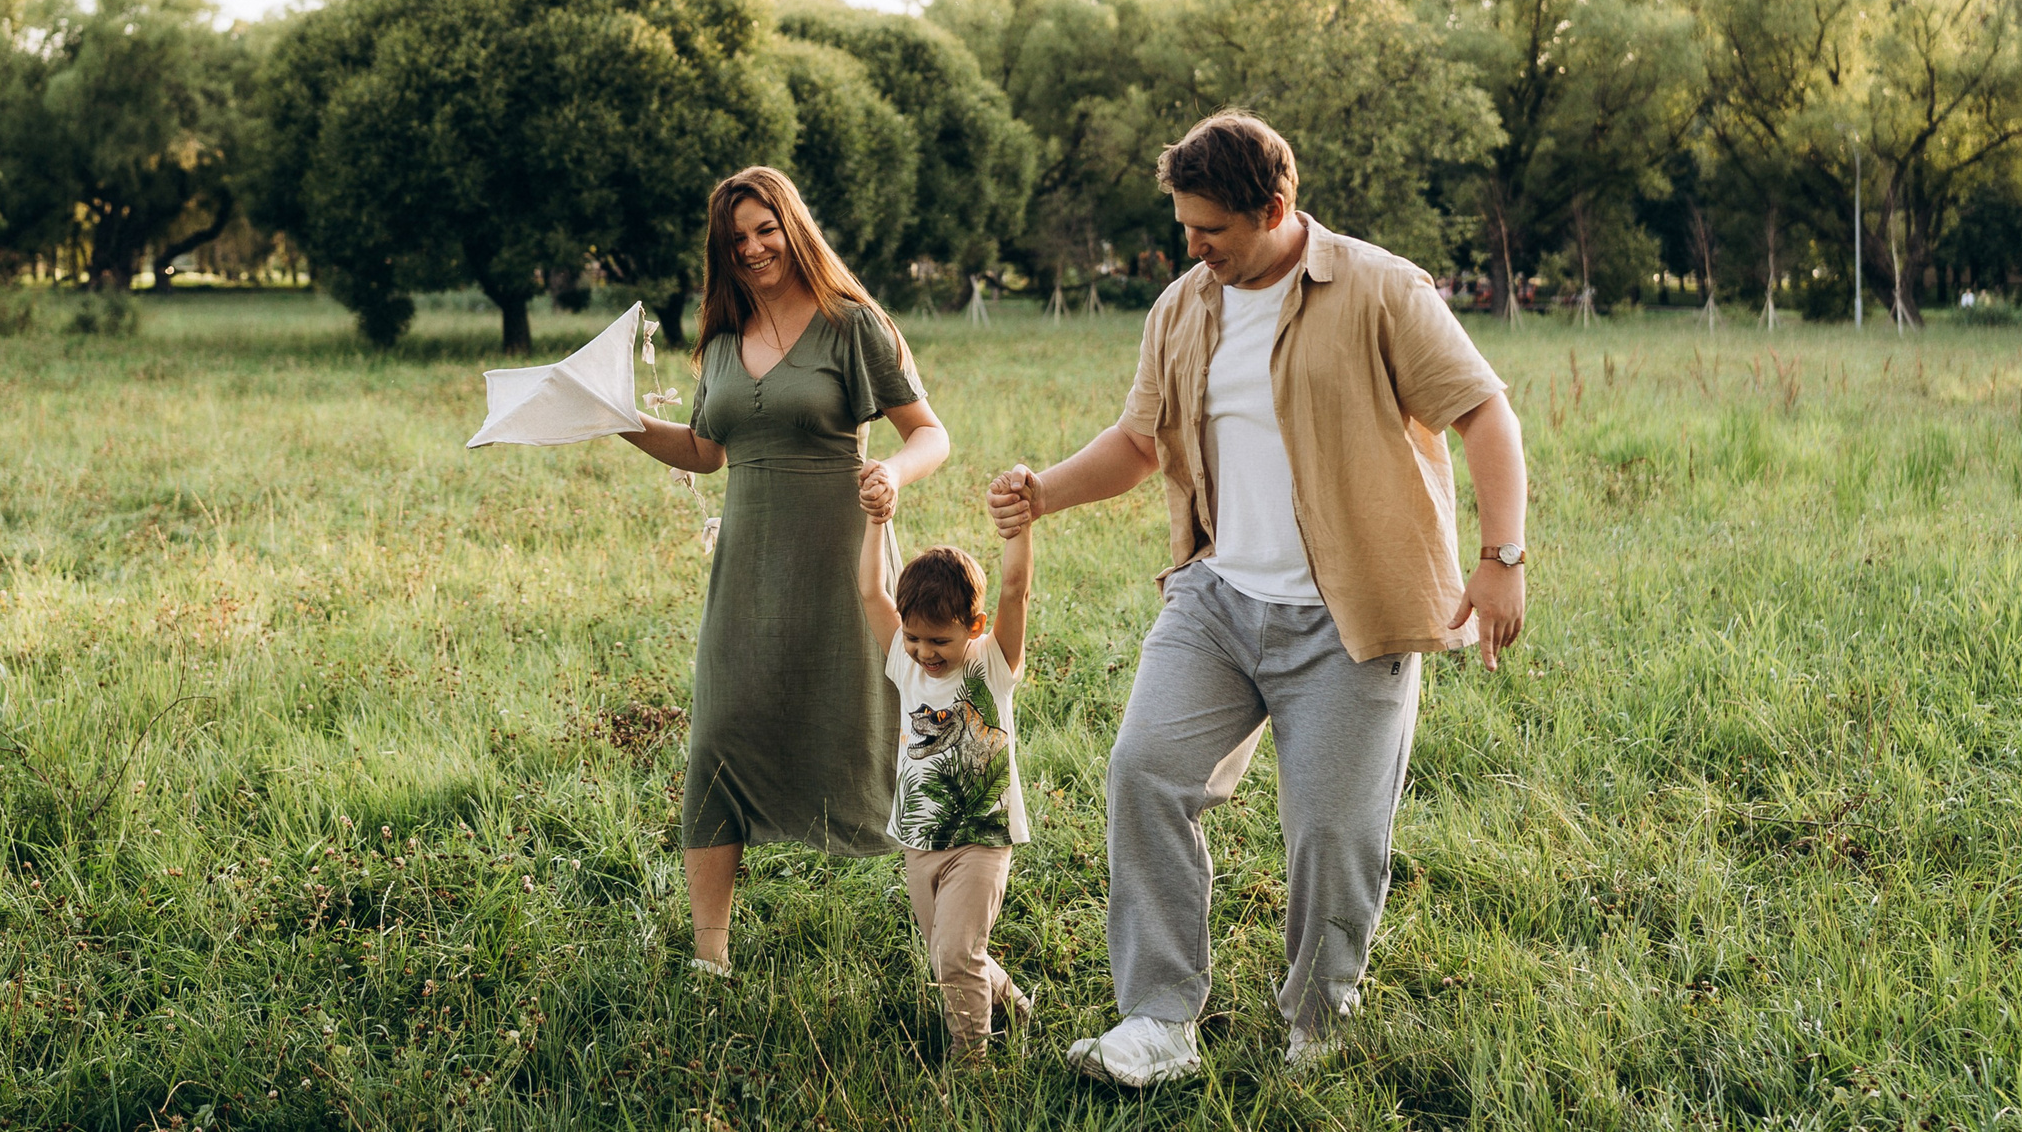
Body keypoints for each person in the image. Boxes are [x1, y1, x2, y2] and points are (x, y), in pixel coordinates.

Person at [988, 111, 1530, 1083]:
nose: (1191, 247)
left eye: (1210, 230)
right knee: (1144, 772)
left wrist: (1502, 557)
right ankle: (1159, 1021)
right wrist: (1044, 492)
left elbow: (1486, 413)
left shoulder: (1380, 289)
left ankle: (1318, 1023)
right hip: (1217, 601)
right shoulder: (1182, 307)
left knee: (1332, 834)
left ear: (1273, 209)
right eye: (1185, 228)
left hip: (1349, 617)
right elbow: (1140, 441)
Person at [619, 166, 951, 976]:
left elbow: (929, 432)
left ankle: (960, 949)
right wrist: (617, 420)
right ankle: (711, 959)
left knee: (889, 743)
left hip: (846, 562)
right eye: (736, 238)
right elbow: (706, 450)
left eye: (765, 229)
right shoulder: (721, 340)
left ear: (792, 227)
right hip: (747, 569)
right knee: (719, 737)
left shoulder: (852, 324)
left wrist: (893, 471)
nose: (753, 247)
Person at [852, 519, 1038, 1062]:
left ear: (974, 627)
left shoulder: (991, 664)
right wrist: (877, 521)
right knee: (947, 955)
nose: (924, 652)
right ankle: (1014, 1005)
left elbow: (1015, 590)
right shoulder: (904, 664)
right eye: (914, 638)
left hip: (981, 838)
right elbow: (871, 590)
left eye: (939, 640)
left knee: (956, 952)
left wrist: (1020, 525)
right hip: (919, 839)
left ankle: (970, 1057)